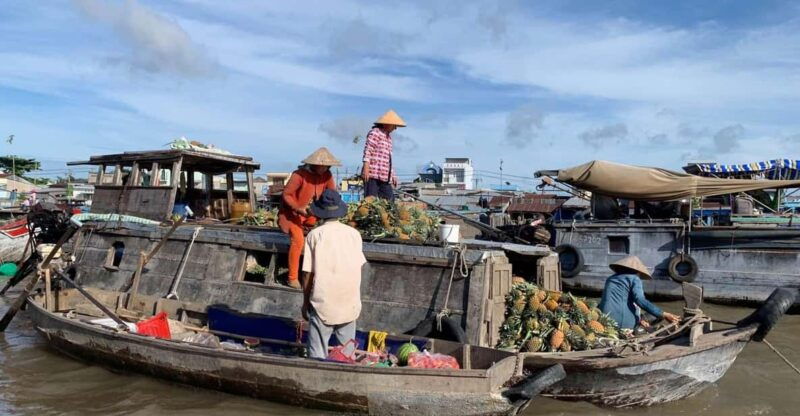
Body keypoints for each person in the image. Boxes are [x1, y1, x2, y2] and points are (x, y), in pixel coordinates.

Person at [301, 189, 366, 359]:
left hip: (323, 303)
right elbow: (359, 267)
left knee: (317, 354)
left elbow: (307, 274)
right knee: (347, 354)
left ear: (320, 212)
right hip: (349, 302)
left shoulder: (314, 235)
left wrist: (305, 302)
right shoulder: (354, 234)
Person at [278, 148, 339, 289]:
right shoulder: (299, 175)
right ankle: (292, 277)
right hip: (291, 215)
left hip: (311, 215)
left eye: (326, 166)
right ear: (313, 164)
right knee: (298, 241)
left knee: (321, 238)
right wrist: (297, 208)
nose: (323, 168)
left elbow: (332, 194)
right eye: (321, 165)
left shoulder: (328, 175)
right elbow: (286, 195)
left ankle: (320, 276)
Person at [598, 255, 680, 330]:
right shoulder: (634, 278)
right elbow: (640, 300)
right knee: (657, 314)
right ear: (637, 271)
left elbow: (605, 301)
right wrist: (664, 314)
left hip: (603, 321)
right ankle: (640, 327)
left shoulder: (610, 279)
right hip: (623, 323)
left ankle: (641, 322)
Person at [362, 109, 406, 201]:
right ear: (387, 124)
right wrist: (366, 167)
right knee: (371, 201)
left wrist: (393, 175)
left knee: (389, 201)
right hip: (372, 174)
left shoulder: (389, 139)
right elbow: (368, 150)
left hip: (385, 176)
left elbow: (388, 160)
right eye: (394, 126)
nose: (395, 128)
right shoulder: (375, 132)